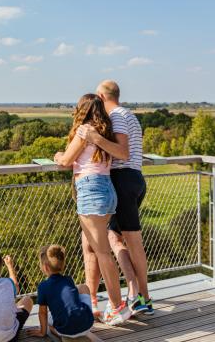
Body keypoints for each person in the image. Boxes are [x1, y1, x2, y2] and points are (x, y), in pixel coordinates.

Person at [53, 94, 131, 326]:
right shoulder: (104, 133)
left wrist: (58, 155)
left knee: (103, 253)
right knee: (96, 248)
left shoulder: (84, 131)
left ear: (82, 110)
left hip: (90, 190)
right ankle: (95, 302)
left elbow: (66, 160)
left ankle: (118, 307)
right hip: (107, 190)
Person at [78, 80, 153, 316]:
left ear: (100, 96)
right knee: (115, 238)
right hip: (134, 179)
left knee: (131, 241)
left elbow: (122, 152)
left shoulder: (118, 116)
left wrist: (94, 137)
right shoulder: (129, 115)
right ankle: (135, 293)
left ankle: (142, 297)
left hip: (123, 180)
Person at [26, 245, 96, 340]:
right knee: (83, 287)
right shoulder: (68, 280)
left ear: (45, 267)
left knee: (50, 324)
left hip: (66, 331)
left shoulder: (43, 286)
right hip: (87, 326)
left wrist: (43, 332)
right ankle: (84, 317)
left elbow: (43, 313)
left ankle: (63, 335)